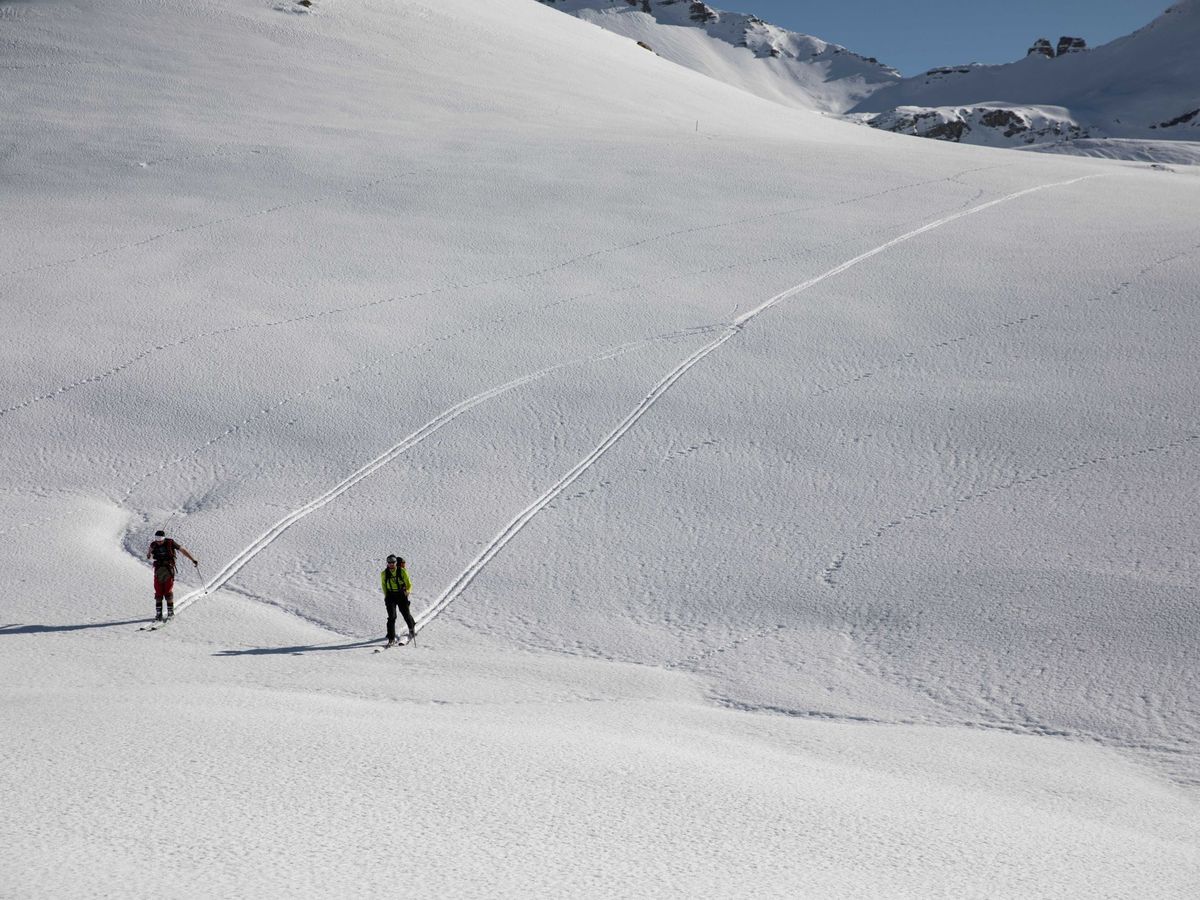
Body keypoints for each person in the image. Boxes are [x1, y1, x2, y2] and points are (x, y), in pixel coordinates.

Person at [146, 530, 198, 621]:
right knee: (158, 591)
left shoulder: (170, 543)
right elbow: (150, 550)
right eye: (157, 541)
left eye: (160, 541)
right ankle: (159, 613)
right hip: (158, 570)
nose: (159, 543)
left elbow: (183, 550)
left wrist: (193, 559)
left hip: (168, 569)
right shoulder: (154, 544)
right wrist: (148, 554)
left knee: (168, 591)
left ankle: (170, 612)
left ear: (164, 539)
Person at [381, 554, 414, 647]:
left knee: (406, 614)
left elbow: (409, 583)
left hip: (401, 595)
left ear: (396, 563)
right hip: (390, 596)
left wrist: (408, 591)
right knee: (392, 617)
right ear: (387, 563)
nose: (391, 564)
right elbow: (383, 585)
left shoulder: (402, 571)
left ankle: (411, 628)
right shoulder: (384, 573)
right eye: (389, 562)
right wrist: (386, 596)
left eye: (393, 562)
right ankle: (391, 638)